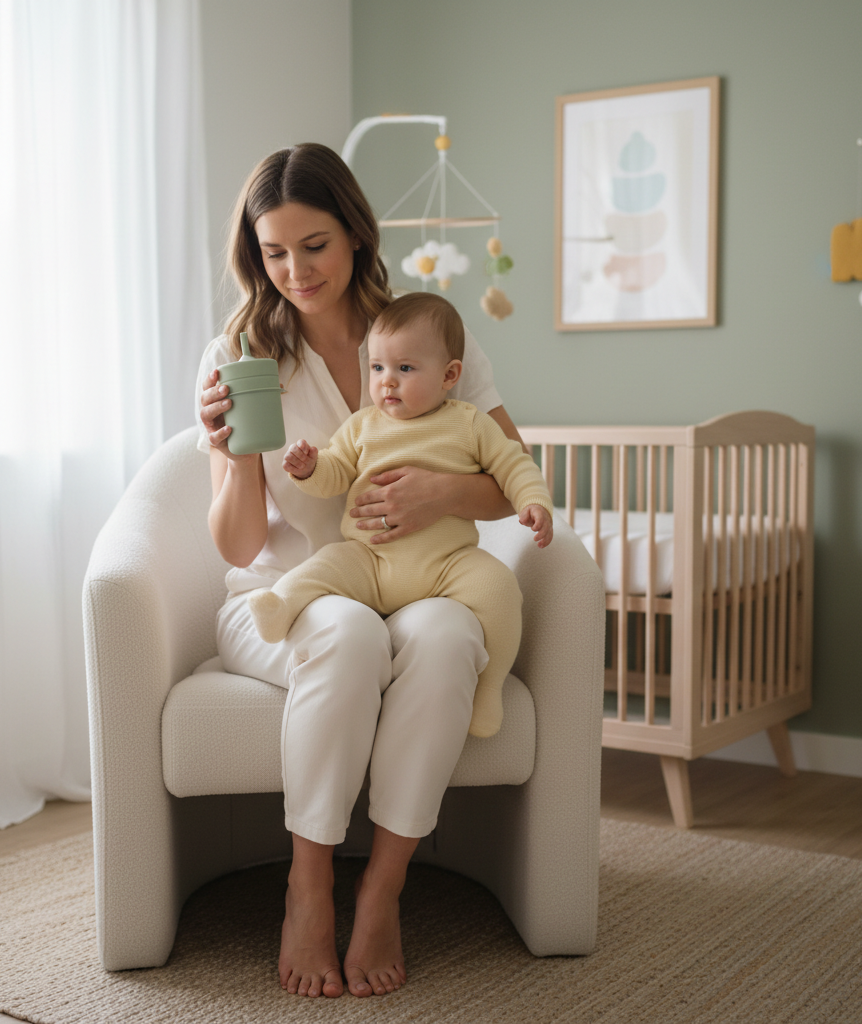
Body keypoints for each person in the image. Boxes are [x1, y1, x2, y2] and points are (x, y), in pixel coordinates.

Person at [197, 142, 535, 1000]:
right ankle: (308, 887)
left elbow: (510, 480)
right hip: (287, 593)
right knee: (344, 634)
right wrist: (234, 452)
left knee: (452, 631)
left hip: (417, 584)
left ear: (354, 234)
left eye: (314, 245)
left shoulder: (427, 331)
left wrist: (437, 492)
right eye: (273, 252)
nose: (295, 271)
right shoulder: (239, 352)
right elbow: (238, 547)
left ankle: (382, 887)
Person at [248, 291, 553, 739]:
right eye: (377, 368)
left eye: (405, 369)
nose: (386, 382)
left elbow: (513, 464)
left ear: (449, 375)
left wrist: (534, 502)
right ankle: (280, 606)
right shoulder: (361, 426)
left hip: (445, 566)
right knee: (324, 567)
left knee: (500, 589)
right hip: (369, 561)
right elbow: (335, 473)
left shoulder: (468, 423)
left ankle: (487, 692)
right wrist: (310, 468)